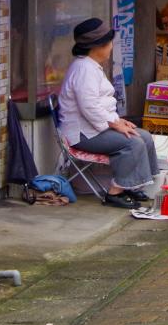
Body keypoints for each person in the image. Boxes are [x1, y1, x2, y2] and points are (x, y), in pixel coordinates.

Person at [56, 19, 159, 209]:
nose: (112, 46)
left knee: (144, 137)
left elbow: (97, 105)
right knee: (133, 143)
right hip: (82, 134)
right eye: (110, 43)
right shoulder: (84, 69)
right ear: (98, 47)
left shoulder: (89, 66)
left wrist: (117, 120)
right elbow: (89, 107)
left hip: (93, 128)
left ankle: (132, 184)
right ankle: (115, 191)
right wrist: (114, 124)